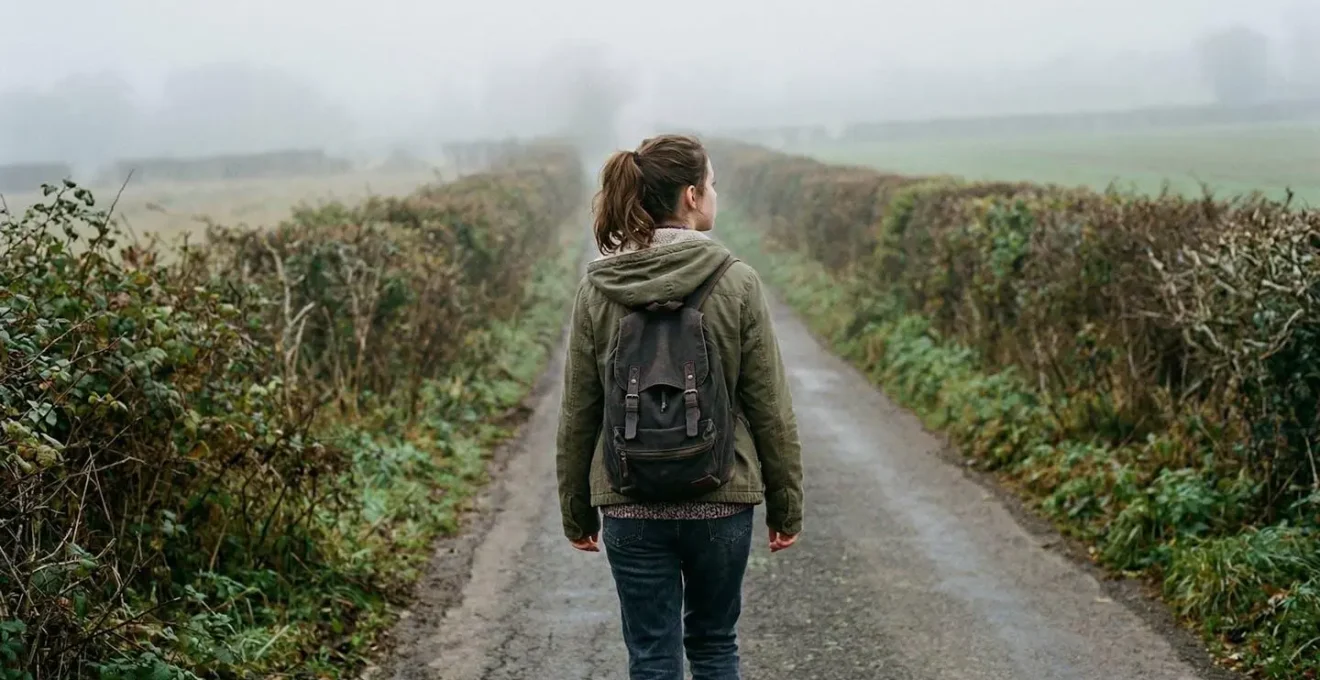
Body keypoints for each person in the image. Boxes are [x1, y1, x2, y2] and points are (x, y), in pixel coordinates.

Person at [555, 133, 804, 680]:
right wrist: (786, 507)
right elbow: (770, 408)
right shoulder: (737, 281)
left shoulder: (599, 289)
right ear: (691, 196)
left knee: (651, 655)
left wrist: (576, 511)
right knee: (714, 645)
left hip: (628, 501)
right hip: (721, 497)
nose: (715, 193)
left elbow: (578, 412)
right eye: (711, 183)